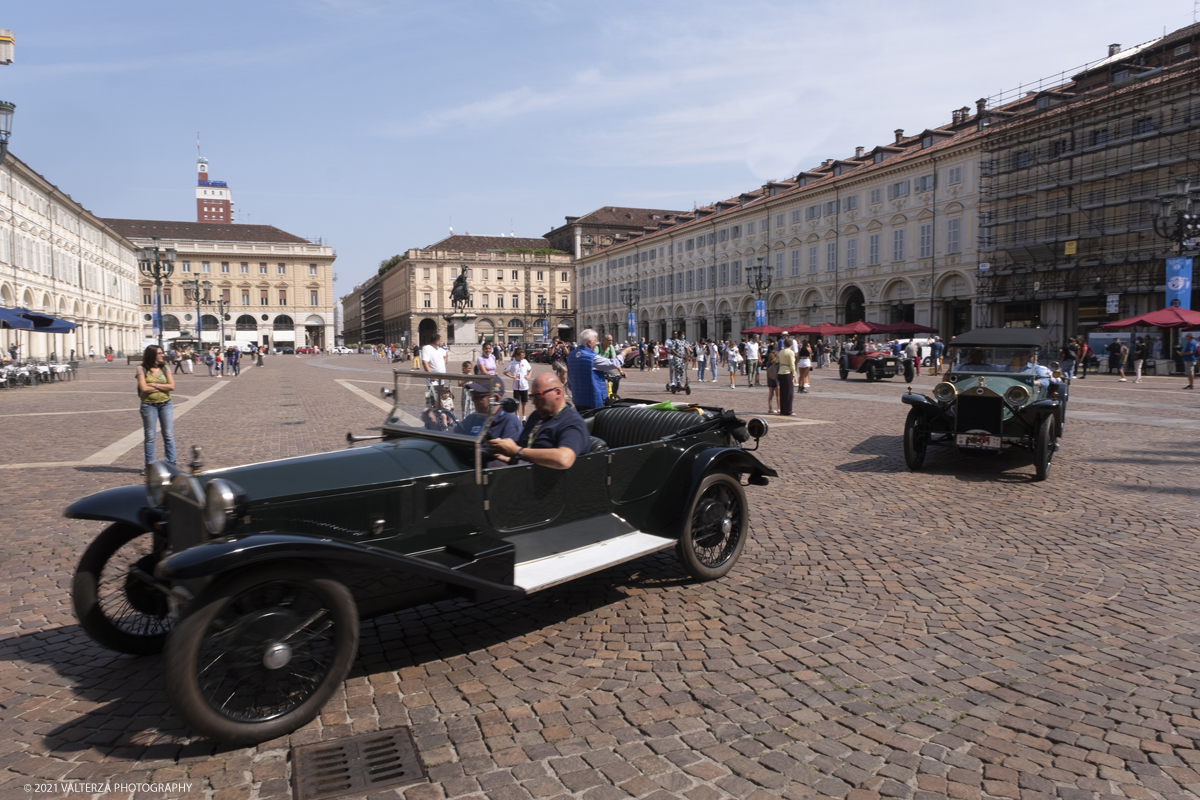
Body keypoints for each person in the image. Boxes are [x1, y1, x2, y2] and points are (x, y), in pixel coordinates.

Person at [487, 373, 590, 469]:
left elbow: (564, 459)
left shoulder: (572, 422)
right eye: (532, 397)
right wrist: (506, 454)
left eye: (538, 395)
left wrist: (517, 451)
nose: (534, 402)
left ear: (557, 392)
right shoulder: (536, 416)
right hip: (524, 473)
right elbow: (526, 451)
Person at [566, 329, 631, 412]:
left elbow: (569, 381)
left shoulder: (571, 356)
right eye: (595, 341)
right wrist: (624, 353)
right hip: (593, 400)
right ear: (589, 342)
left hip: (577, 400)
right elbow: (613, 363)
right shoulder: (591, 357)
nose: (596, 343)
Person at [136, 344, 176, 471]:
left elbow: (172, 386)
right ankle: (150, 466)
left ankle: (171, 464)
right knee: (150, 436)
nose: (162, 355)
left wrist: (154, 385)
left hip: (166, 405)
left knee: (168, 434)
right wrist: (161, 386)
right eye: (159, 353)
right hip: (149, 406)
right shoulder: (141, 369)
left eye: (162, 352)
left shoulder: (165, 367)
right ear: (152, 355)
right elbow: (143, 388)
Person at [454, 381, 522, 453]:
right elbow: (451, 434)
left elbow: (511, 458)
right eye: (472, 394)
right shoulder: (474, 417)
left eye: (478, 396)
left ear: (495, 398)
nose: (473, 399)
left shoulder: (509, 421)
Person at [505, 348, 532, 420]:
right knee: (516, 403)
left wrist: (528, 376)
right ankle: (517, 417)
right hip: (516, 386)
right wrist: (511, 376)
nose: (523, 357)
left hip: (524, 386)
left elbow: (530, 369)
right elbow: (505, 371)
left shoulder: (525, 361)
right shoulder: (512, 363)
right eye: (521, 355)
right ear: (517, 356)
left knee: (524, 402)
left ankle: (524, 418)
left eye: (524, 355)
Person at [777, 338, 796, 416]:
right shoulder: (791, 352)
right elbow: (792, 364)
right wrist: (794, 374)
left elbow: (778, 361)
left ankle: (783, 410)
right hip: (787, 372)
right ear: (791, 344)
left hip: (780, 372)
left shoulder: (781, 352)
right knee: (789, 393)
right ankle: (788, 410)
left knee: (783, 392)